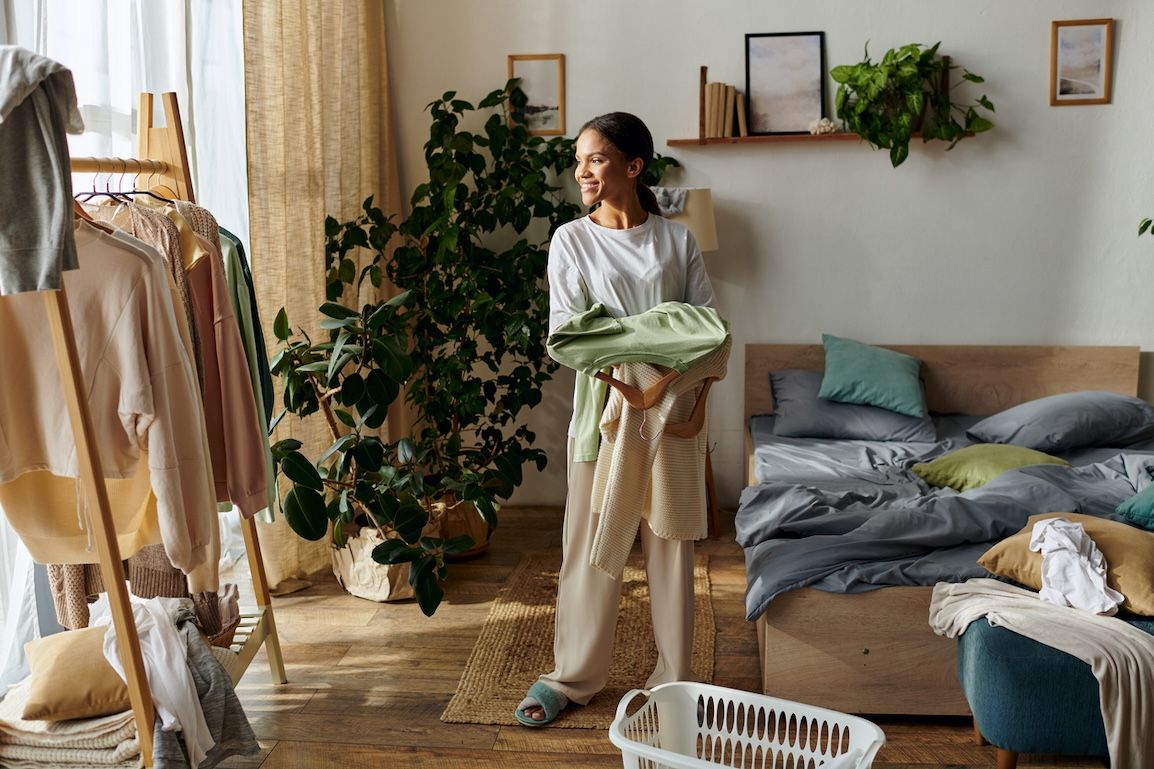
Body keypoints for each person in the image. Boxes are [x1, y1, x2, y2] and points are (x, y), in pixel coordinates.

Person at [516, 112, 718, 726]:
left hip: (675, 413)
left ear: (633, 166)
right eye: (578, 159)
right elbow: (567, 339)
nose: (581, 170)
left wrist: (681, 400)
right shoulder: (571, 241)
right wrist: (659, 335)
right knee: (588, 548)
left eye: (596, 158)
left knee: (670, 550)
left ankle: (675, 680)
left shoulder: (676, 241)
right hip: (599, 416)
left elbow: (710, 334)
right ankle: (572, 677)